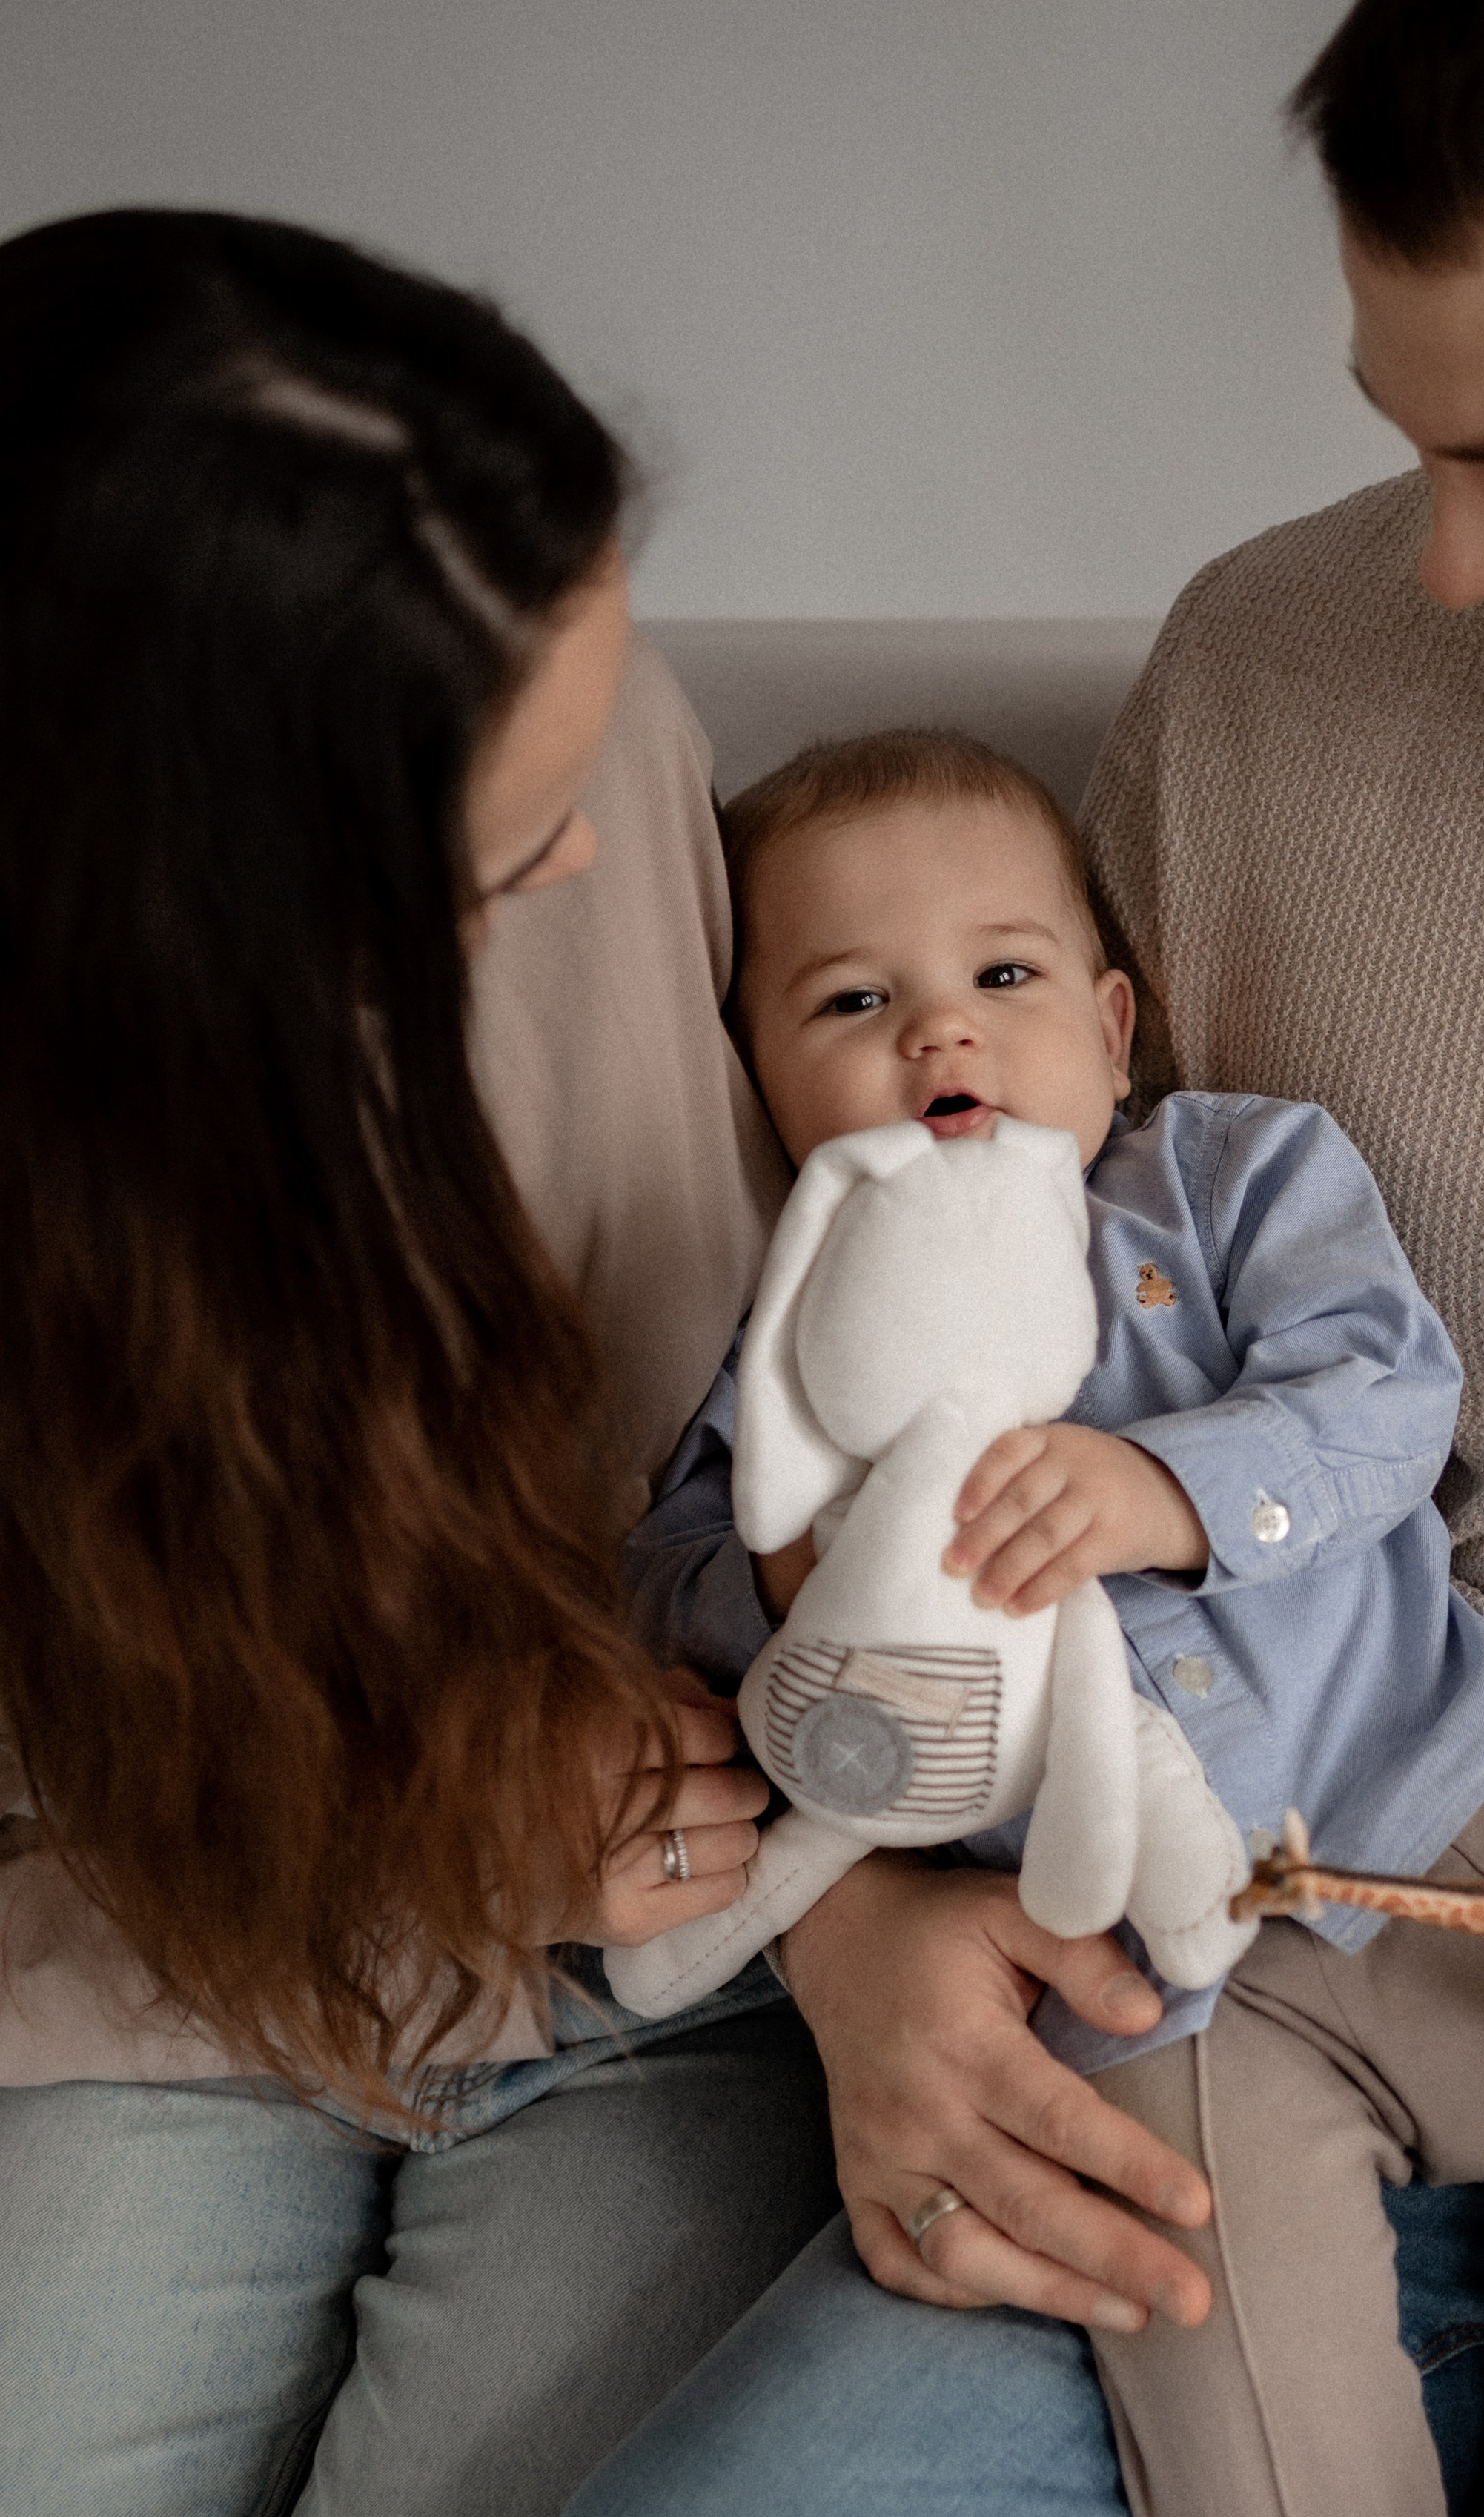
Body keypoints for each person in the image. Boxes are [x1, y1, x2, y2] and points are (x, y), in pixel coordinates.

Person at [573, 4, 1484, 2515]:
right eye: (1415, 439)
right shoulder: (1280, 680)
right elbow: (953, 1363)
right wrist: (852, 1931)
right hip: (1258, 1970)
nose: (1446, 565)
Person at [620, 724, 1484, 2517]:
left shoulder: (1227, 1179)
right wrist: (786, 1595)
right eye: (850, 1003)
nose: (937, 1033)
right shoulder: (789, 1325)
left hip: (1450, 1815)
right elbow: (670, 1562)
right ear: (757, 1086)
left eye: (998, 975)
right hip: (1144, 1979)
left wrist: (1169, 1491)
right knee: (1200, 2318)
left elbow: (1387, 1391)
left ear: (1109, 1027)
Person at [0, 205, 842, 2517]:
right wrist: (375, 1813)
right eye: (486, 849)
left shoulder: (593, 758)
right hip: (124, 1953)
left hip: (662, 1963)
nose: (596, 851)